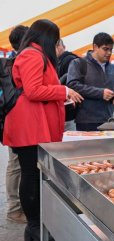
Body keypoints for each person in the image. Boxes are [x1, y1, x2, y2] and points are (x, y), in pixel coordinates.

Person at [2, 19, 83, 241]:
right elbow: (34, 90)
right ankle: (34, 226)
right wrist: (63, 91)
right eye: (55, 39)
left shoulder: (35, 54)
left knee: (33, 174)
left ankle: (36, 223)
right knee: (30, 174)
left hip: (33, 127)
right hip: (28, 128)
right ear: (47, 38)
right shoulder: (32, 55)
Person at [66, 32, 114, 131]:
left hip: (108, 119)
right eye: (105, 49)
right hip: (86, 121)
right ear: (95, 47)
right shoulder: (79, 63)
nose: (109, 53)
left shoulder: (112, 68)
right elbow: (72, 85)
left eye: (111, 49)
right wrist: (100, 93)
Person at [5, 25, 29, 223]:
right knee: (15, 165)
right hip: (14, 121)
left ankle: (17, 206)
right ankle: (14, 209)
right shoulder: (16, 63)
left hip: (15, 121)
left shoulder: (16, 61)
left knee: (18, 165)